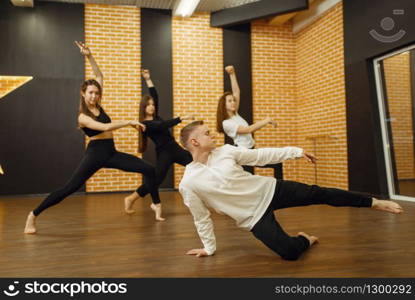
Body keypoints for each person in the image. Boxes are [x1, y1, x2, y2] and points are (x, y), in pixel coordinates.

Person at [178, 121, 404, 260]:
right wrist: (209, 248)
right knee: (289, 253)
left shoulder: (226, 151)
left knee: (320, 193)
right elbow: (201, 217)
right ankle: (306, 239)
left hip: (271, 190)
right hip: (252, 217)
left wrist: (295, 151)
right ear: (194, 142)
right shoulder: (189, 182)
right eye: (207, 133)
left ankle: (374, 202)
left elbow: (261, 156)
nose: (213, 135)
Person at [24, 42, 160, 234]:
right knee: (69, 188)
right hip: (95, 155)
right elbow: (104, 126)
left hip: (111, 152)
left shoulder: (98, 105)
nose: (94, 96)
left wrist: (89, 56)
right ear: (83, 93)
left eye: (97, 93)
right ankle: (33, 215)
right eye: (90, 93)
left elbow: (99, 76)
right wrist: (128, 121)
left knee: (148, 169)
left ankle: (139, 202)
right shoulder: (82, 116)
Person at [123, 69, 194, 221]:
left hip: (174, 148)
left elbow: (155, 95)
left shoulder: (155, 116)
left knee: (195, 163)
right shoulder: (144, 124)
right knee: (156, 180)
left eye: (153, 105)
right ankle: (132, 198)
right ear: (143, 107)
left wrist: (148, 79)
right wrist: (181, 118)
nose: (152, 106)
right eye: (148, 105)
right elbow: (161, 127)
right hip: (164, 153)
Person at [217, 65, 279, 175]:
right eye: (230, 101)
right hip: (243, 153)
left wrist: (232, 74)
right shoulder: (226, 123)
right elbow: (248, 129)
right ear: (224, 105)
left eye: (234, 101)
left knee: (276, 164)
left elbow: (236, 92)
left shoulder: (235, 114)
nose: (233, 102)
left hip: (250, 150)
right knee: (248, 179)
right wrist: (266, 120)